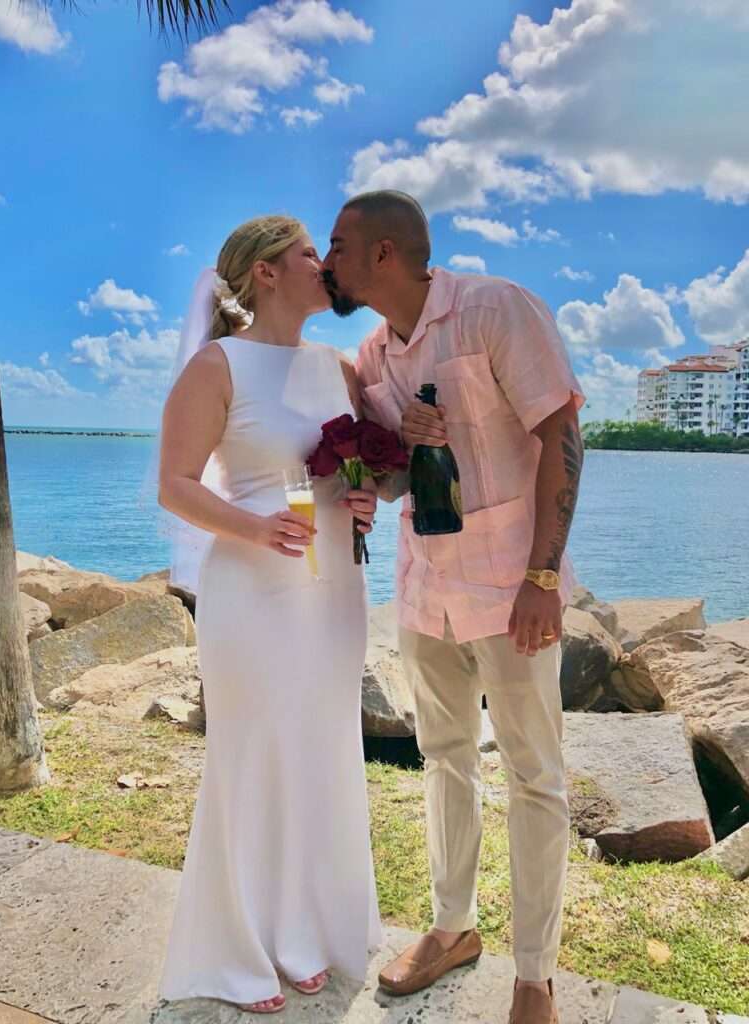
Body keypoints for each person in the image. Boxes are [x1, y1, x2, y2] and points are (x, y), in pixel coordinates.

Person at [322, 190, 585, 1024]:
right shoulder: (370, 356)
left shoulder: (494, 308)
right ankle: (452, 928)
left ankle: (535, 976)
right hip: (424, 588)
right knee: (444, 760)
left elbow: (564, 435)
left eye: (336, 245)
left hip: (512, 591)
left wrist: (543, 578)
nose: (326, 261)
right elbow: (393, 475)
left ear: (385, 255)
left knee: (535, 778)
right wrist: (379, 464)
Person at [157, 215, 381, 1015]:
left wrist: (368, 496)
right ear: (265, 275)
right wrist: (253, 526)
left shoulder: (339, 367)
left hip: (334, 591)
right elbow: (175, 483)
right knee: (254, 757)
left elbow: (367, 472)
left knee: (320, 751)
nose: (326, 266)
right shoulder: (217, 365)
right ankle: (239, 946)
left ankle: (306, 929)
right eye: (310, 255)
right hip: (251, 593)